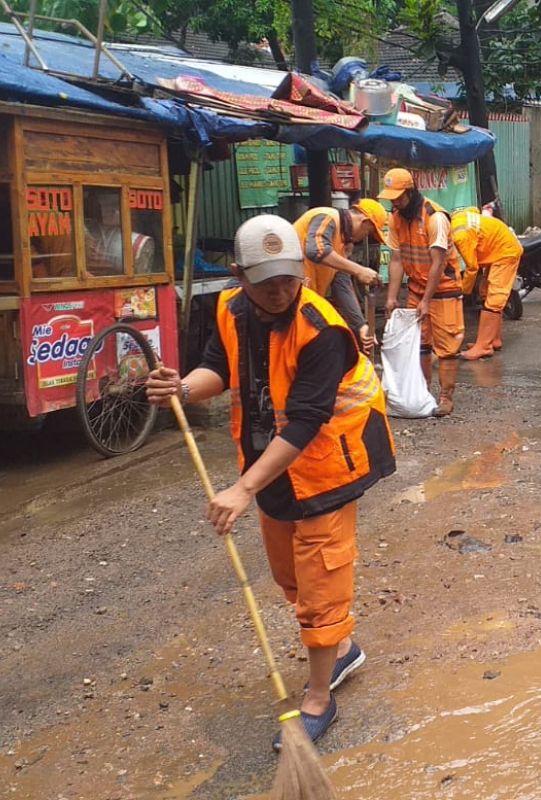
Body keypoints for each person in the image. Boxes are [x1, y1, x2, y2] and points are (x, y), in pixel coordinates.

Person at [144, 215, 396, 749]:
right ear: (239, 276)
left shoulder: (322, 328)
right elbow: (219, 367)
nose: (281, 291)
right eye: (267, 282)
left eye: (290, 278)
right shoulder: (230, 310)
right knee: (292, 578)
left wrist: (243, 489)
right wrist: (183, 389)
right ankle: (343, 649)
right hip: (270, 462)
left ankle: (319, 698)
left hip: (328, 461)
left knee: (321, 581)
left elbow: (305, 420)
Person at [380, 167, 464, 416]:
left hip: (444, 288)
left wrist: (426, 300)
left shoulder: (435, 217)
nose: (395, 202)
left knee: (448, 345)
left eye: (398, 197)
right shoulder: (395, 218)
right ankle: (423, 392)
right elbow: (396, 260)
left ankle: (446, 397)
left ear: (410, 191)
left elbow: (438, 262)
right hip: (417, 286)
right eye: (391, 198)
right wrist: (392, 297)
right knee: (421, 343)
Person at [294, 200, 388, 353]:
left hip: (306, 302)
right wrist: (358, 270)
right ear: (364, 222)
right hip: (287, 298)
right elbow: (316, 250)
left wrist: (361, 325)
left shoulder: (343, 245)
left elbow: (342, 285)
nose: (365, 236)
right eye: (369, 232)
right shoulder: (328, 216)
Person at [451, 206, 524, 360]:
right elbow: (474, 210)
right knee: (485, 292)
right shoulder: (457, 218)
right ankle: (493, 340)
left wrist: (463, 292)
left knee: (495, 298)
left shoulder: (459, 237)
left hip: (505, 252)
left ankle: (484, 346)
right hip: (498, 248)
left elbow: (472, 268)